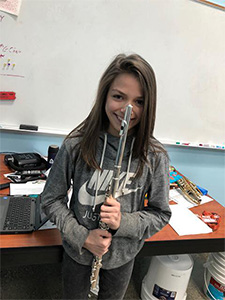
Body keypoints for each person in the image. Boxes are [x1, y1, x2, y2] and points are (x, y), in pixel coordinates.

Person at [41, 53, 171, 300]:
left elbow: (160, 214)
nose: (127, 110)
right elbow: (50, 200)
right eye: (119, 97)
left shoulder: (155, 156)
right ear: (105, 96)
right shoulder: (76, 144)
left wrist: (123, 222)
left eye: (139, 101)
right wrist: (83, 237)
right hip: (78, 251)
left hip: (122, 254)